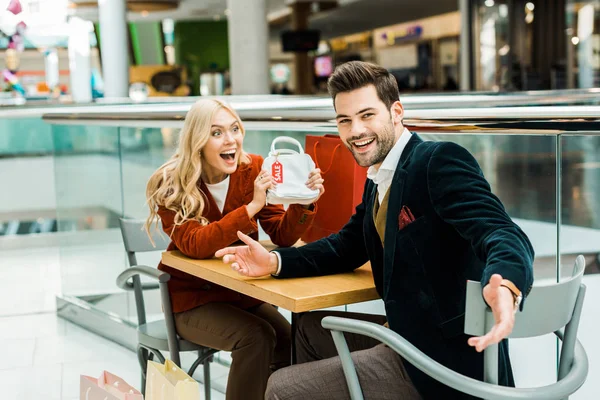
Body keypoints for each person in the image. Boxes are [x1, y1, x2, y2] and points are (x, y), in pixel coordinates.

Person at [216, 61, 534, 399]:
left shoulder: (436, 161)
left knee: (282, 388)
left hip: (442, 364)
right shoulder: (380, 176)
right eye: (345, 120)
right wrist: (275, 262)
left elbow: (501, 231)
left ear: (396, 111)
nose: (355, 131)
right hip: (404, 334)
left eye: (367, 116)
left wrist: (506, 282)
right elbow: (345, 247)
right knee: (308, 327)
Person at [144, 99, 324, 400]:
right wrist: (252, 206)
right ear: (197, 140)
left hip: (239, 294)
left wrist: (305, 202)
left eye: (235, 129)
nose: (231, 140)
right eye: (217, 133)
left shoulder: (252, 167)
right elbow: (196, 244)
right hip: (190, 300)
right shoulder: (171, 183)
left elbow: (281, 235)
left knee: (292, 340)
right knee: (255, 337)